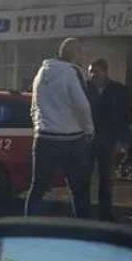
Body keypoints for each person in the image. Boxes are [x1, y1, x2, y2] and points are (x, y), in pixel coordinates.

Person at [25, 38, 94, 218]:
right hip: (71, 139)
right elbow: (82, 105)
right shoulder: (72, 73)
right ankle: (83, 230)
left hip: (44, 138)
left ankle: (28, 227)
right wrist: (89, 130)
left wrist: (38, 126)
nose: (83, 56)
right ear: (74, 53)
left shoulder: (41, 73)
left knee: (38, 187)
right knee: (78, 188)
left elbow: (34, 105)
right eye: (81, 52)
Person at [87, 58, 130, 222]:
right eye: (90, 71)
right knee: (84, 178)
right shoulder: (84, 88)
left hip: (108, 140)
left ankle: (105, 214)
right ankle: (84, 213)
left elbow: (125, 117)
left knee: (106, 179)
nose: (92, 75)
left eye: (95, 71)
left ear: (105, 72)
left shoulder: (118, 90)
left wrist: (123, 141)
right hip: (88, 140)